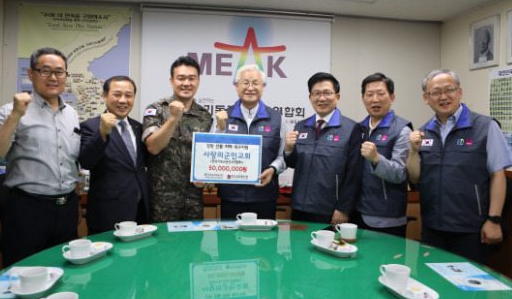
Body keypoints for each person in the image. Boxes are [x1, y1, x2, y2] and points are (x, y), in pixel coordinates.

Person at [0, 47, 82, 267]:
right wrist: (16, 115)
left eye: (59, 72)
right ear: (31, 73)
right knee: (24, 275)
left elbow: (70, 161)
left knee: (66, 272)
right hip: (27, 210)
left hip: (66, 208)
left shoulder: (72, 114)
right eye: (45, 71)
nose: (53, 77)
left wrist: (77, 202)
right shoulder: (11, 111)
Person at [406, 69, 512, 265]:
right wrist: (413, 151)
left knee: (468, 289)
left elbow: (498, 175)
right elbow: (415, 179)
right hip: (433, 227)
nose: (444, 96)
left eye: (449, 90)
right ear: (426, 98)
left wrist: (494, 220)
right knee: (431, 284)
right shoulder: (423, 133)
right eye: (436, 92)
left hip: (471, 229)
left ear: (460, 92)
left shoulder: (485, 126)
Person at [284, 72, 362, 224]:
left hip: (331, 211)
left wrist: (344, 208)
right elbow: (293, 163)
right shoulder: (301, 126)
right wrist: (288, 149)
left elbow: (355, 174)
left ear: (337, 97)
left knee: (327, 248)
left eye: (327, 93)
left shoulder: (352, 129)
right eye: (316, 93)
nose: (321, 98)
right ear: (310, 97)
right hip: (299, 208)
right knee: (298, 248)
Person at [143, 56, 213, 223]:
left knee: (193, 247)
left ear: (198, 81)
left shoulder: (205, 116)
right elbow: (153, 147)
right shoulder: (156, 109)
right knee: (162, 248)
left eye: (191, 78)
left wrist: (206, 177)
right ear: (172, 81)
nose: (186, 83)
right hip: (162, 202)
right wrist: (174, 117)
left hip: (194, 201)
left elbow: (205, 156)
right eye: (181, 78)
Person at [79, 76, 150, 235]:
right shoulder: (90, 126)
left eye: (128, 95)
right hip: (108, 213)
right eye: (117, 94)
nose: (123, 100)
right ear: (104, 96)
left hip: (141, 210)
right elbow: (86, 162)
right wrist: (101, 133)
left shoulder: (139, 127)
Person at [214, 64, 286, 220]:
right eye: (245, 82)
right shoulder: (222, 117)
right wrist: (220, 128)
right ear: (236, 85)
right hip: (231, 196)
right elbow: (212, 153)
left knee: (265, 243)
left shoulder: (277, 119)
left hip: (264, 196)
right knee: (230, 243)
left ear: (263, 86)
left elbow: (283, 156)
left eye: (255, 83)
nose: (250, 88)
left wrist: (273, 169)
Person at [352, 73, 412, 237]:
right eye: (369, 95)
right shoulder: (358, 129)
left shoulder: (402, 130)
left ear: (392, 98)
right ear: (363, 98)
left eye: (381, 94)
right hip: (355, 214)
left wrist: (376, 159)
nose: (375, 99)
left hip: (386, 218)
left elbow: (400, 173)